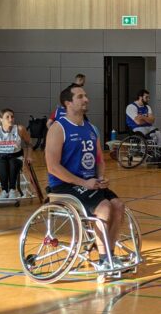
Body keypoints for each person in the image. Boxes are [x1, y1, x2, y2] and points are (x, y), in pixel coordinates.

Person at [45, 84, 126, 266]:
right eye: (80, 96)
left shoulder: (90, 128)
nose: (86, 99)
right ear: (68, 103)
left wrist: (100, 177)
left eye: (86, 96)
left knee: (118, 206)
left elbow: (100, 160)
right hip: (64, 185)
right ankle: (104, 260)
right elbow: (52, 167)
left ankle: (109, 254)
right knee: (104, 207)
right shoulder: (59, 128)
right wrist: (83, 182)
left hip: (89, 183)